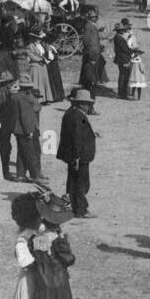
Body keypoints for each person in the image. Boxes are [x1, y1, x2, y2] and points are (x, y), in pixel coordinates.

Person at [58, 89, 97, 218]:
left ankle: (73, 207)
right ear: (80, 104)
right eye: (86, 104)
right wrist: (77, 157)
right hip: (79, 157)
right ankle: (81, 209)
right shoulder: (78, 116)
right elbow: (77, 138)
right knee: (81, 184)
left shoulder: (72, 113)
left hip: (73, 155)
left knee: (73, 183)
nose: (88, 106)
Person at [14, 78, 45, 184]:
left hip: (18, 130)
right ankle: (35, 175)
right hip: (25, 130)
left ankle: (20, 175)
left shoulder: (17, 96)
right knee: (31, 152)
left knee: (21, 152)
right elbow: (25, 116)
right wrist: (29, 131)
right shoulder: (24, 98)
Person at [112, 21, 133, 99]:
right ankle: (122, 94)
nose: (123, 31)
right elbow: (125, 49)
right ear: (119, 30)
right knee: (124, 76)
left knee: (123, 76)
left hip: (122, 58)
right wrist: (133, 51)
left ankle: (122, 93)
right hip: (123, 59)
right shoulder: (119, 38)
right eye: (122, 30)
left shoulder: (118, 37)